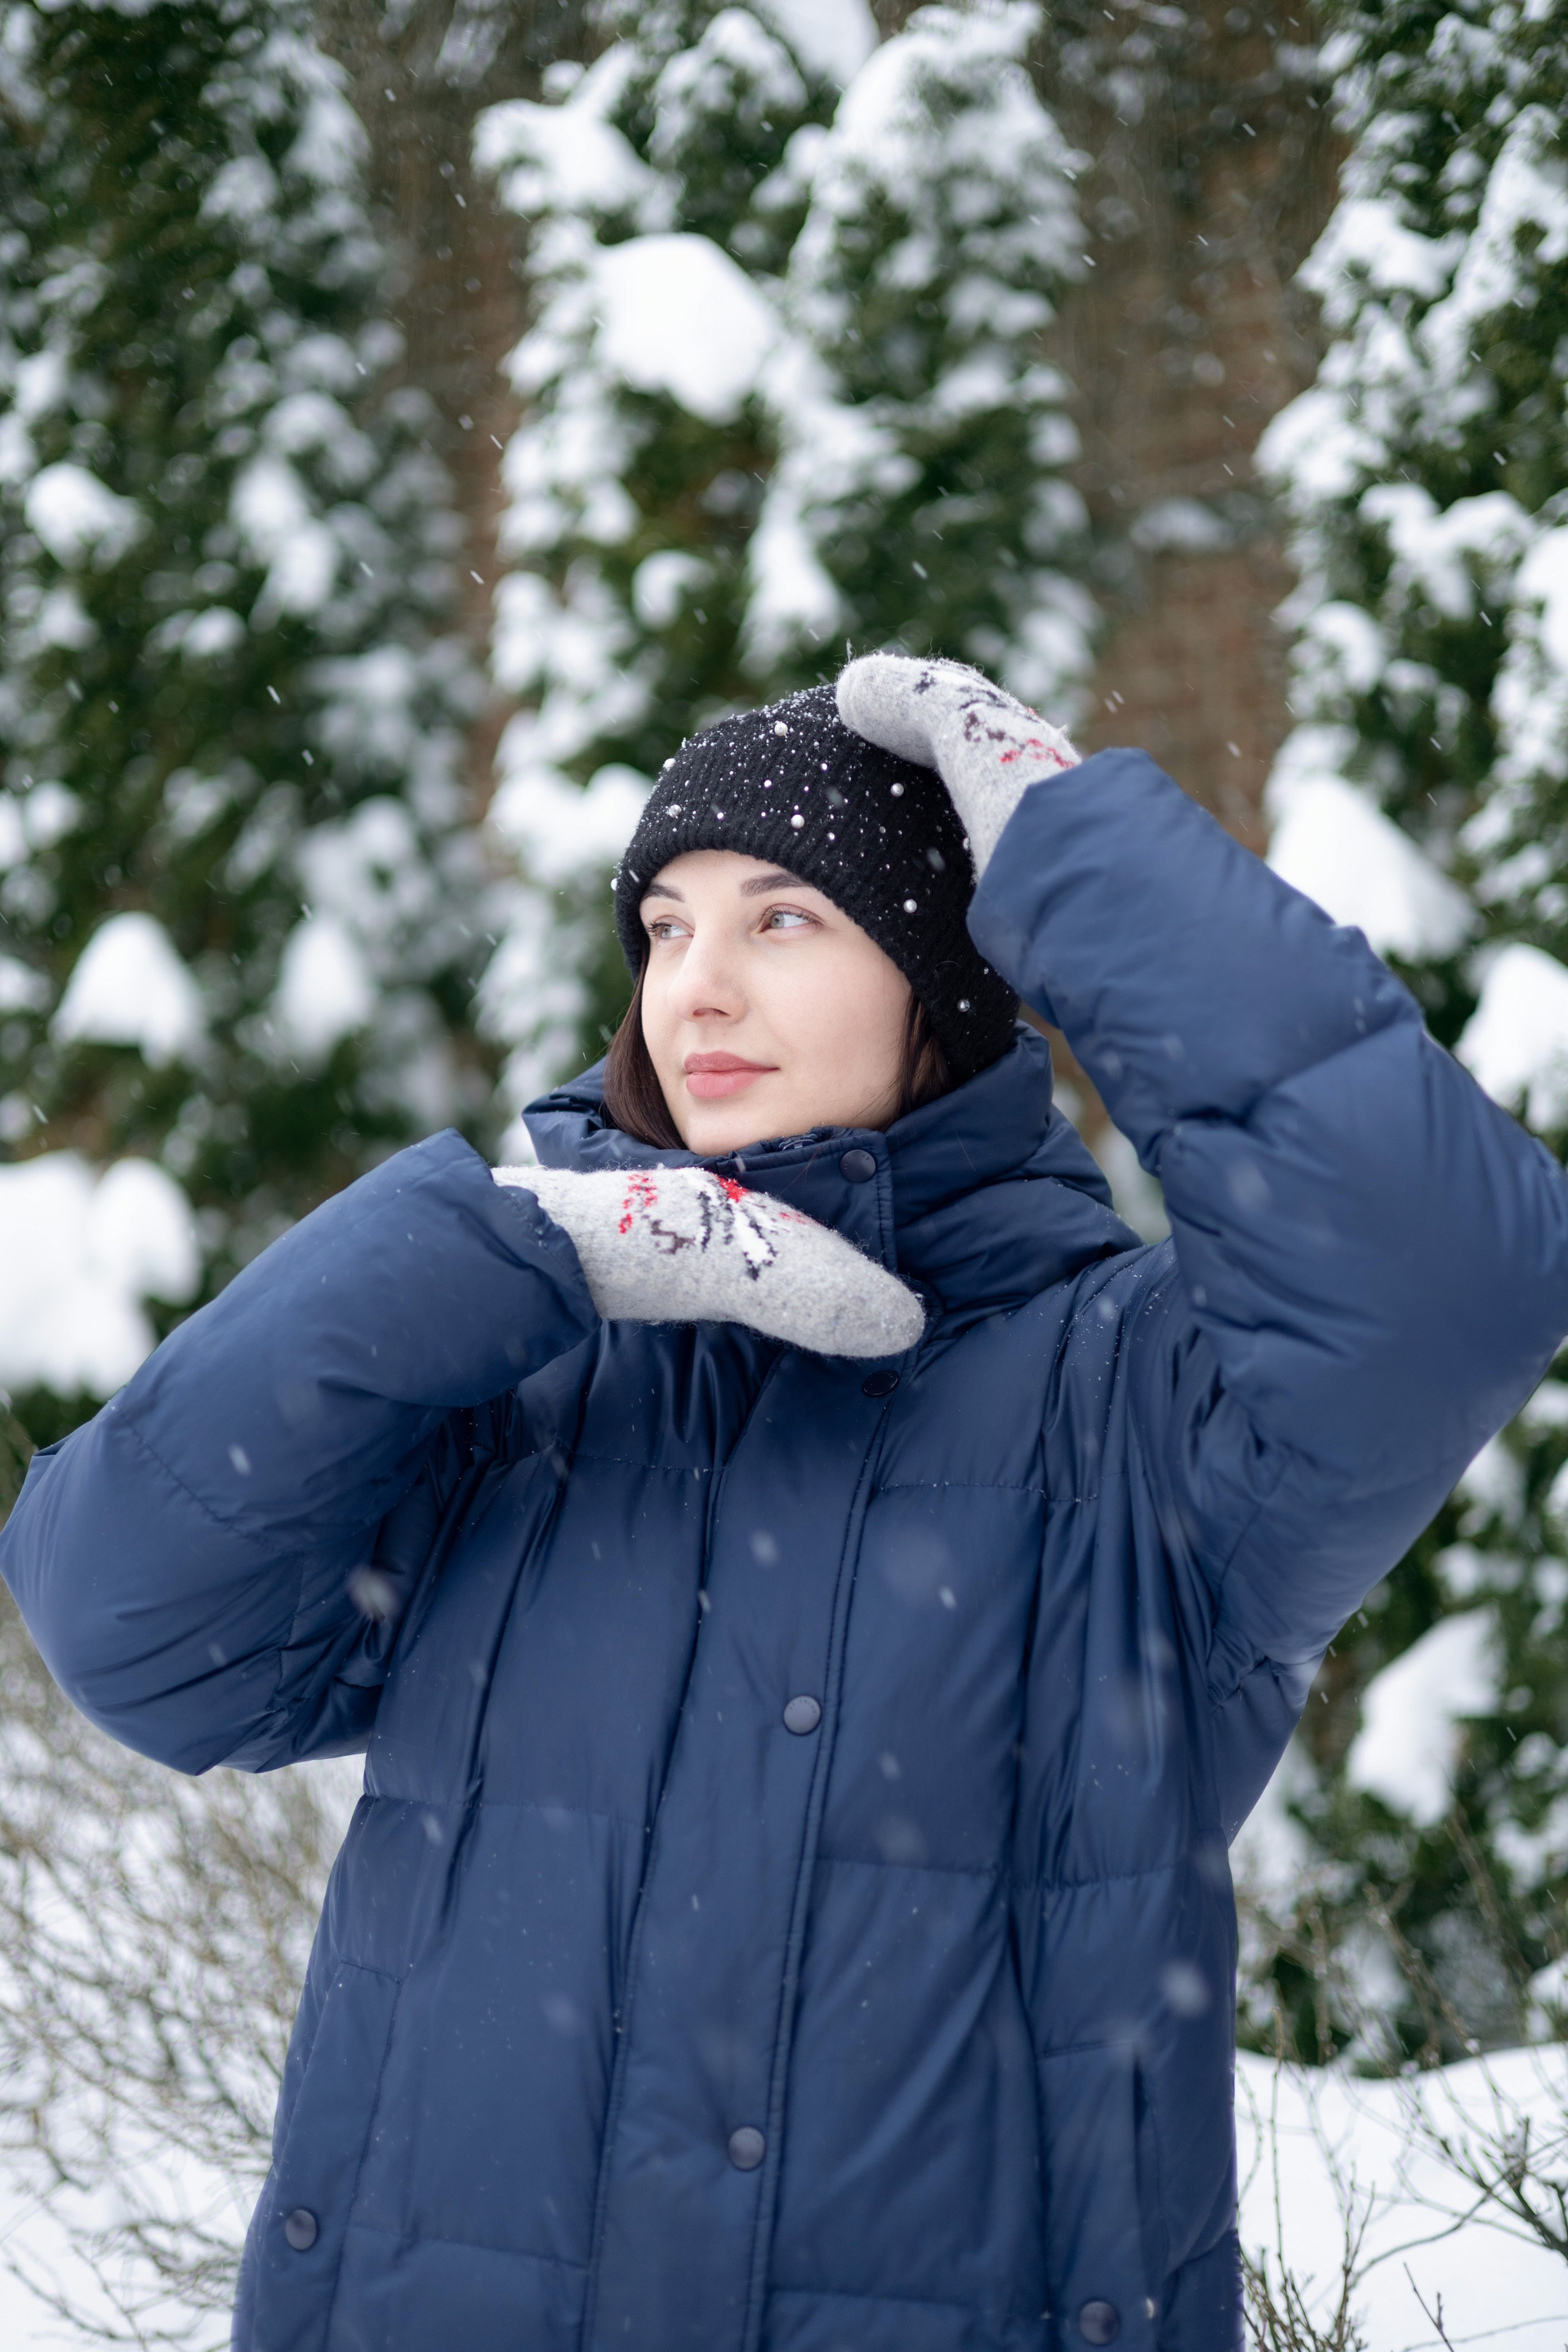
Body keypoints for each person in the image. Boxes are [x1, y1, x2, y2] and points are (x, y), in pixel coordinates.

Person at [4, 654, 1566, 2352]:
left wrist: (1072, 844)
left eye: (784, 919)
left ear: (943, 980)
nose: (699, 986)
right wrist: (499, 1255)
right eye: (665, 928)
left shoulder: (1135, 1412)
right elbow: (131, 1622)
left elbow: (1445, 1282)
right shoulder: (524, 1393)